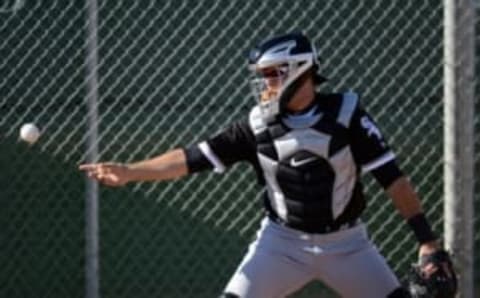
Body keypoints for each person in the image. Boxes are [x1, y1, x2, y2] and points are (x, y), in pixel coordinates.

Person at [79, 33, 456, 298]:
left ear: (299, 70)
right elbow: (192, 158)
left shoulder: (347, 114)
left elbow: (393, 179)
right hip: (281, 244)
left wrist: (427, 242)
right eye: (262, 77)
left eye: (271, 75)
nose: (265, 85)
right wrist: (130, 171)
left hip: (348, 245)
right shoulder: (257, 125)